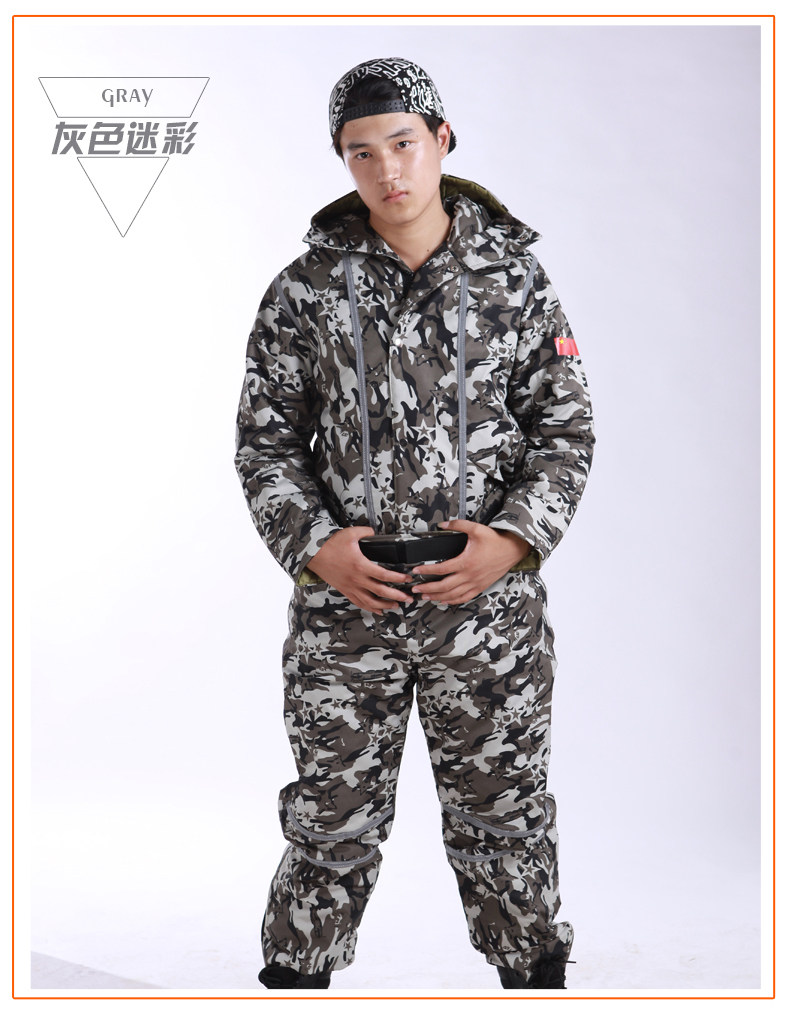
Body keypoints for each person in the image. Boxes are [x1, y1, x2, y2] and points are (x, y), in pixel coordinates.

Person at [234, 56, 595, 990]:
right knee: (330, 820)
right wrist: (316, 547)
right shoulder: (303, 291)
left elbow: (565, 431)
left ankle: (535, 976)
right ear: (342, 161)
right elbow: (265, 445)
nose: (387, 170)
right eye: (361, 152)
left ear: (442, 139)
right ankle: (296, 979)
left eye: (402, 143)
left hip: (486, 612)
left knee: (505, 816)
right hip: (347, 610)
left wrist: (511, 542)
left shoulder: (515, 283)